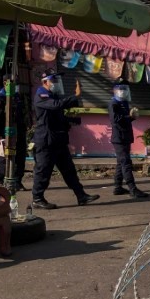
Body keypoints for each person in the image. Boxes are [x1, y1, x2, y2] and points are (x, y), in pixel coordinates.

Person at [31, 70, 100, 209]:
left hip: (59, 140)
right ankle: (37, 199)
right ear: (45, 82)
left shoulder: (53, 96)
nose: (57, 83)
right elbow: (56, 105)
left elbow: (58, 114)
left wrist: (70, 120)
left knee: (69, 170)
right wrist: (76, 96)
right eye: (54, 80)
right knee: (43, 170)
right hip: (46, 141)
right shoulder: (41, 95)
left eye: (58, 80)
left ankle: (81, 196)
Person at [108, 82, 148, 198]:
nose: (123, 91)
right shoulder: (113, 103)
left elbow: (125, 120)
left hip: (125, 137)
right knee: (126, 163)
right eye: (121, 89)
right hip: (119, 138)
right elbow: (115, 120)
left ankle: (118, 187)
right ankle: (133, 189)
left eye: (125, 89)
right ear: (115, 90)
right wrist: (129, 117)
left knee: (120, 163)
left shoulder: (124, 103)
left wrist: (132, 117)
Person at [0, 74, 27, 190]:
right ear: (6, 83)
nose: (16, 85)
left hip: (18, 132)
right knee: (5, 158)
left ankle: (18, 181)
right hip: (4, 133)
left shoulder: (17, 96)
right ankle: (2, 181)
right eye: (13, 83)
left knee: (20, 157)